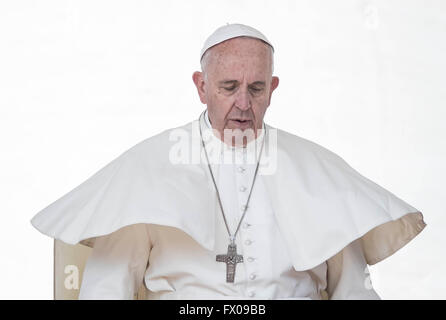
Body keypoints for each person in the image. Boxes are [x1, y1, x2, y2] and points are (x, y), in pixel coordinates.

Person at [30, 23, 426, 300]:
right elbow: (106, 290)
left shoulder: (316, 170)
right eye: (228, 87)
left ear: (272, 88)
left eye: (256, 88)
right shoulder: (148, 168)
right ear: (201, 87)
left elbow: (354, 292)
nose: (243, 103)